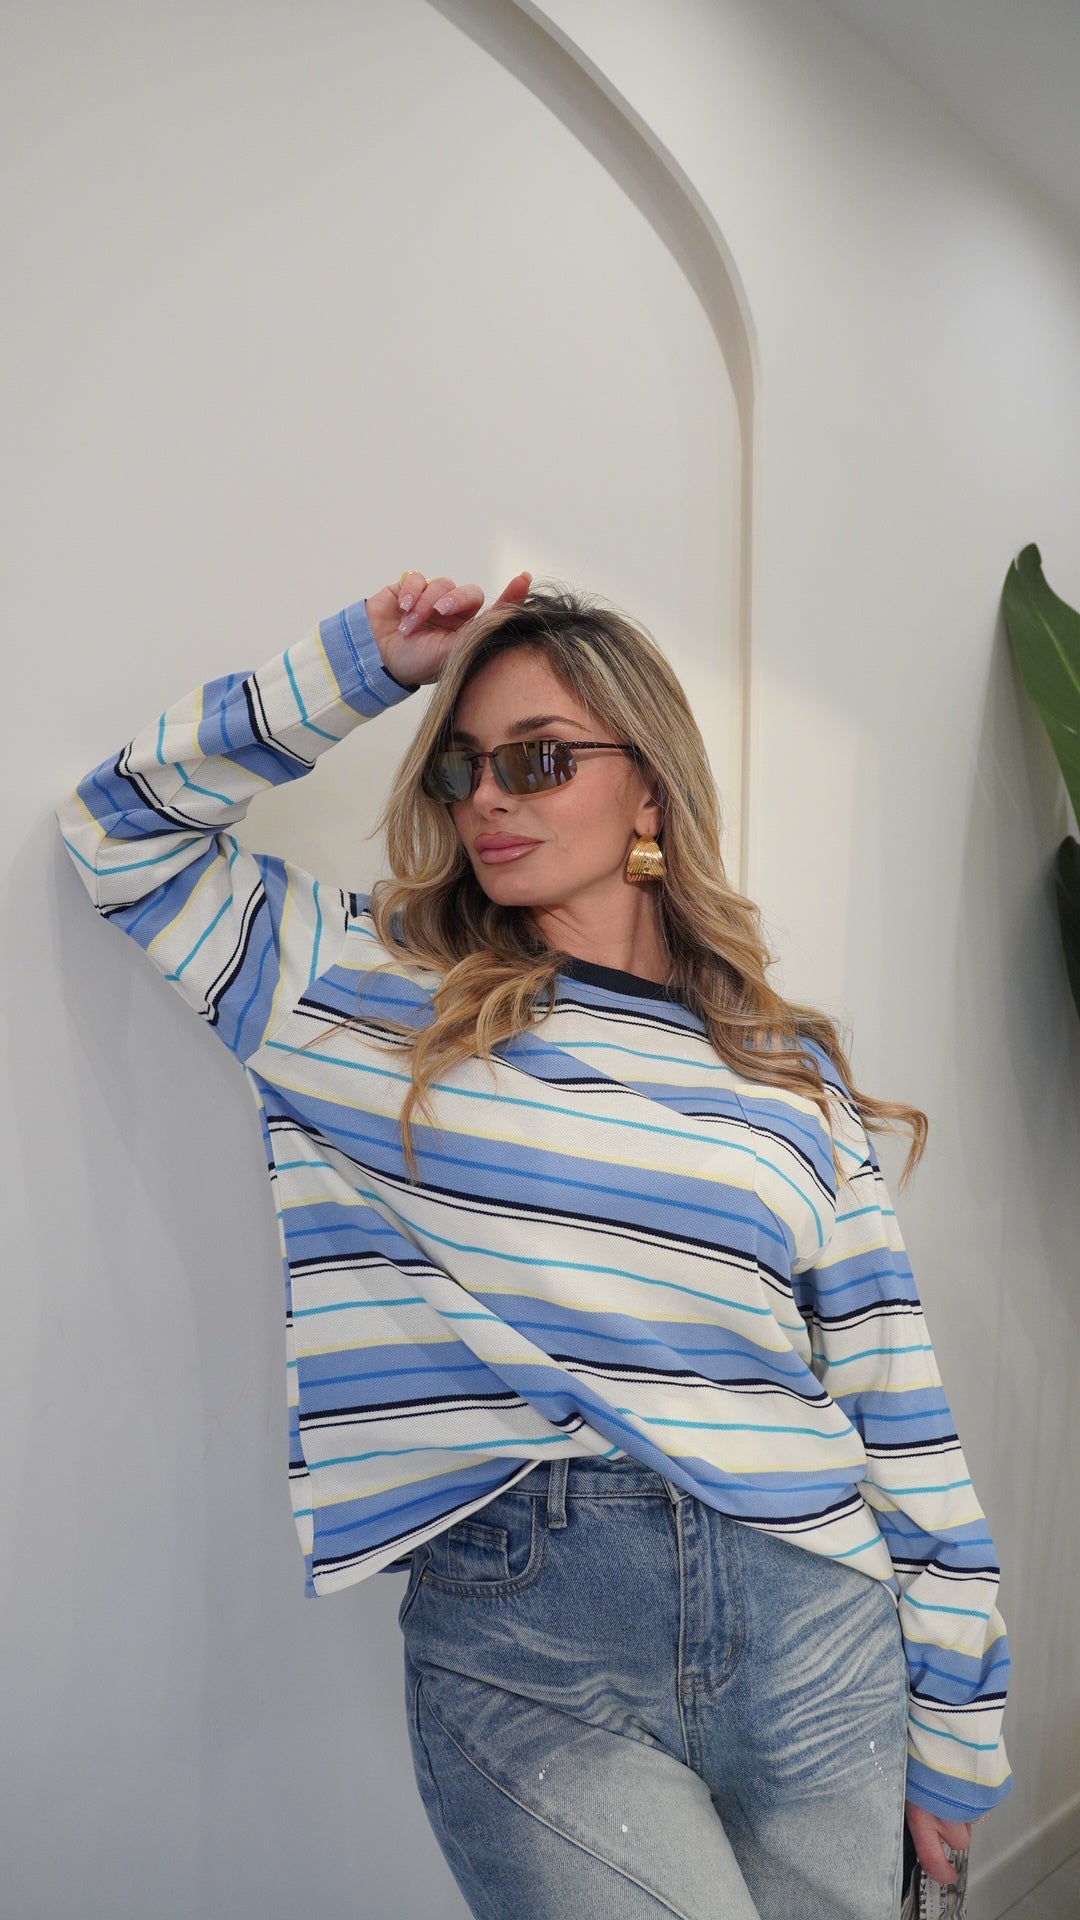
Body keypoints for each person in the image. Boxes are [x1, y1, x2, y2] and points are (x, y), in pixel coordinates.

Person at [56, 568, 1012, 1919]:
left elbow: (898, 1403)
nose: (488, 799)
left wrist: (960, 1724)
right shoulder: (362, 990)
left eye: (540, 759)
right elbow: (117, 837)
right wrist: (362, 664)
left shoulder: (782, 1069)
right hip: (529, 1635)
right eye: (464, 767)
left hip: (814, 1616)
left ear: (650, 792)